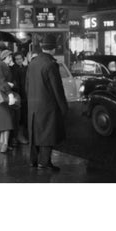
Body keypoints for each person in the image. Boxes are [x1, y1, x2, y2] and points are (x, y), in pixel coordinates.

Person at [26, 34, 68, 171]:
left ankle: (33, 161)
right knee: (47, 134)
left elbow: (27, 85)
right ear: (53, 49)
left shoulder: (33, 62)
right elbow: (57, 88)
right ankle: (44, 162)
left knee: (34, 133)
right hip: (47, 105)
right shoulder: (51, 64)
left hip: (33, 104)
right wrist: (64, 107)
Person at [11, 52, 29, 145]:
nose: (19, 60)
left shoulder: (25, 68)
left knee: (24, 117)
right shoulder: (13, 69)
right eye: (17, 59)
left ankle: (21, 135)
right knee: (19, 117)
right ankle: (17, 136)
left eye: (20, 59)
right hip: (18, 95)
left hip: (25, 95)